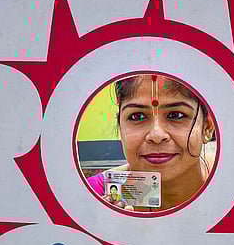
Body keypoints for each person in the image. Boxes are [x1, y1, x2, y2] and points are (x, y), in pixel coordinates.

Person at [86, 74, 215, 211]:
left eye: (176, 115)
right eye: (137, 116)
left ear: (207, 127)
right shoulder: (92, 197)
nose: (156, 135)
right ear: (120, 129)